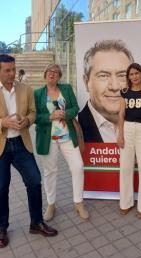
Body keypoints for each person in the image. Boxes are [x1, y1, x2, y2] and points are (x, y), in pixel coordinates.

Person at [0, 54, 58, 249]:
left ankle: (36, 223)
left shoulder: (25, 89)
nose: (12, 73)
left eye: (13, 69)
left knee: (34, 181)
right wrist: (2, 122)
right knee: (0, 189)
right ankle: (1, 228)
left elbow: (33, 113)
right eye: (7, 70)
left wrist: (26, 120)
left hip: (21, 144)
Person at [34, 64, 89, 221]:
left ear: (59, 77)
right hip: (47, 139)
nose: (52, 74)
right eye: (50, 72)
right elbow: (34, 117)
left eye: (56, 73)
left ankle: (78, 202)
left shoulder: (66, 89)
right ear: (45, 75)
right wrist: (49, 117)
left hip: (67, 137)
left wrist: (64, 113)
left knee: (78, 167)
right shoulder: (37, 94)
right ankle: (51, 204)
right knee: (50, 172)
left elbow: (75, 108)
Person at [117, 63, 141, 219]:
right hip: (127, 129)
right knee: (125, 167)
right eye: (131, 74)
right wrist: (120, 134)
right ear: (128, 76)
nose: (134, 77)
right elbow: (121, 114)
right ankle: (125, 203)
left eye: (136, 73)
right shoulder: (124, 92)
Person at [78, 39, 134, 142]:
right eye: (103, 75)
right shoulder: (75, 127)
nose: (114, 86)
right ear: (86, 82)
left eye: (122, 75)